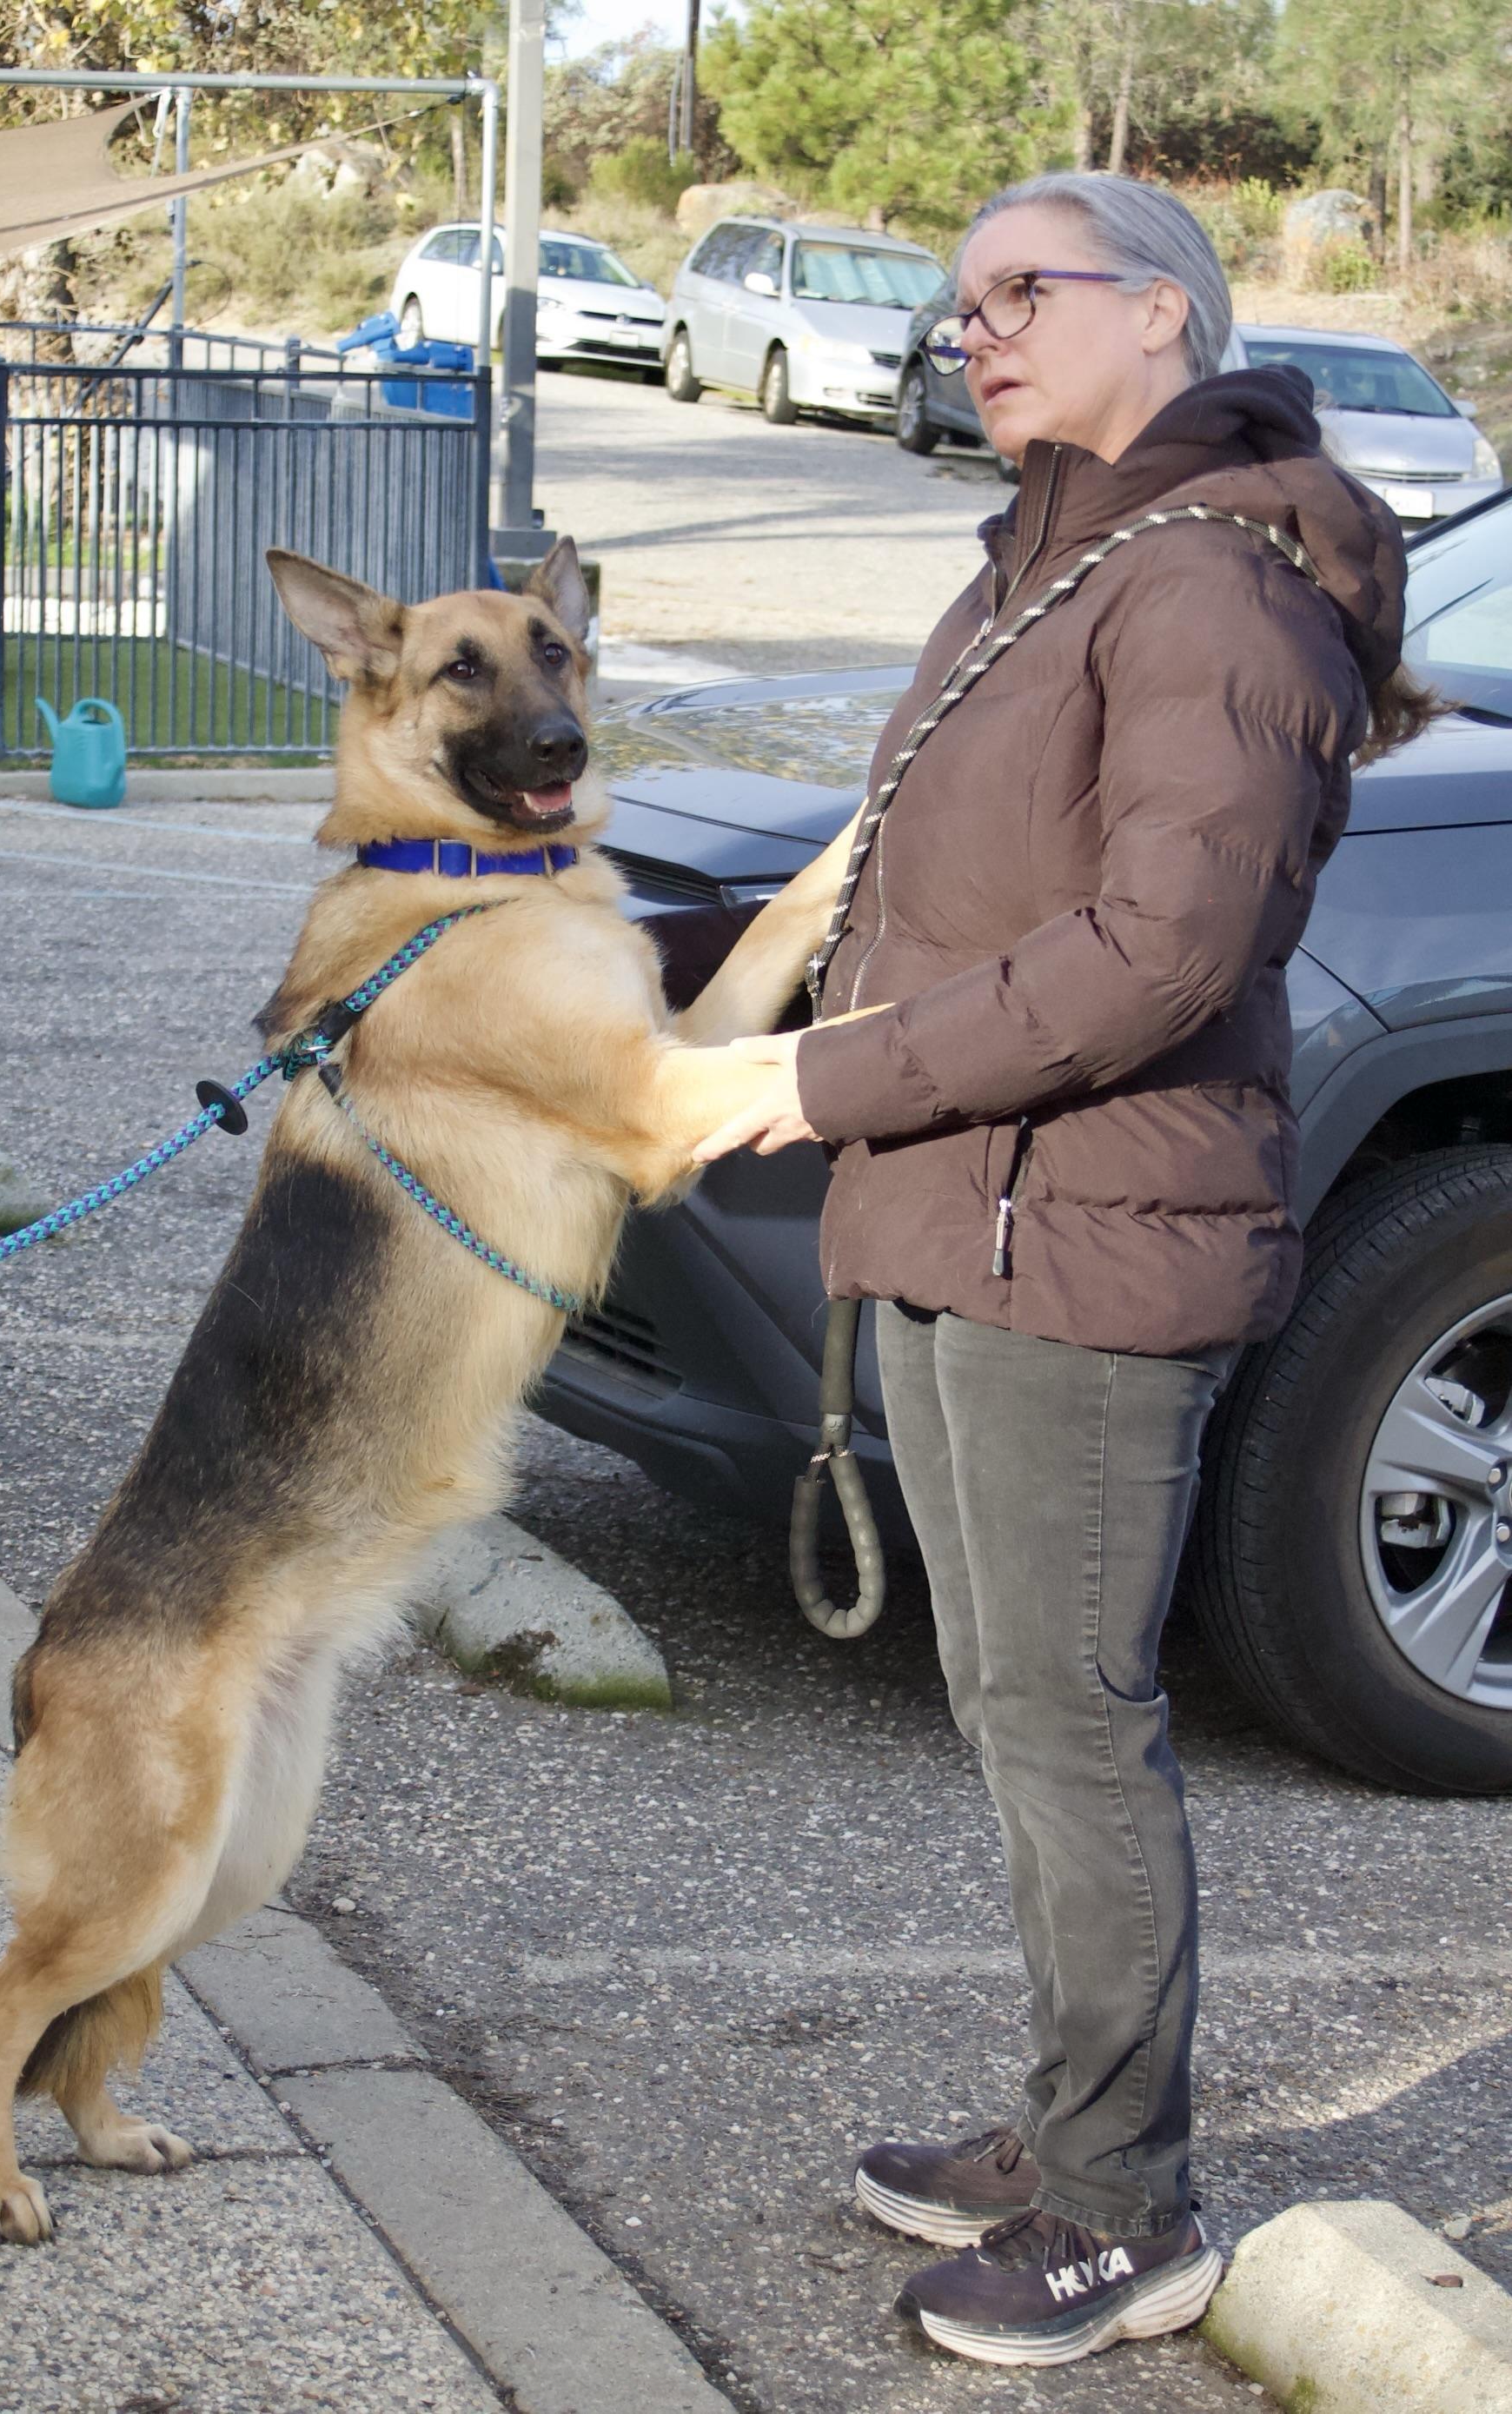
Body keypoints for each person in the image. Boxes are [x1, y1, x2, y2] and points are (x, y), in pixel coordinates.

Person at [692, 170, 1430, 2369]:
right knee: (1017, 1716)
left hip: (1087, 1242)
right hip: (965, 1210)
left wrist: (824, 1082)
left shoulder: (1216, 584)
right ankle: (1070, 2122)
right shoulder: (1044, 564)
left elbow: (1163, 953)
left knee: (1075, 1731)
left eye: (1025, 291)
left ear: (1168, 314)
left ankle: (1126, 2213)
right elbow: (933, 887)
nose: (978, 332)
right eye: (963, 305)